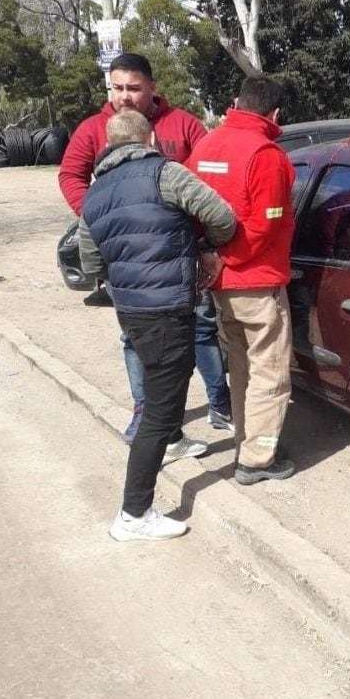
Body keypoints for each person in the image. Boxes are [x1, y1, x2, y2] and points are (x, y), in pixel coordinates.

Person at [58, 53, 233, 454]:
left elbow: (209, 179)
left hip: (183, 255)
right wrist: (99, 217)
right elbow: (70, 175)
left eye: (133, 88)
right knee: (134, 339)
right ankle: (147, 411)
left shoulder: (184, 124)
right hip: (128, 261)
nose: (125, 97)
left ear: (152, 87)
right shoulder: (92, 129)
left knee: (203, 330)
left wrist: (205, 244)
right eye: (117, 88)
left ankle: (220, 404)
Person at [79, 109, 236, 540]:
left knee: (163, 383)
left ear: (107, 145)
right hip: (168, 307)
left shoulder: (94, 196)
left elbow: (91, 262)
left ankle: (171, 443)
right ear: (149, 137)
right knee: (160, 408)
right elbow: (222, 216)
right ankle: (133, 514)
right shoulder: (164, 172)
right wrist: (204, 247)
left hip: (131, 310)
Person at [186, 76, 296, 485]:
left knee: (243, 369)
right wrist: (224, 258)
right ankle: (256, 461)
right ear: (275, 113)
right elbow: (263, 227)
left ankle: (245, 445)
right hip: (255, 280)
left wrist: (209, 257)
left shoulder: (206, 146)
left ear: (237, 102)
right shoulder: (266, 155)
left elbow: (191, 208)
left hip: (221, 285)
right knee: (269, 371)